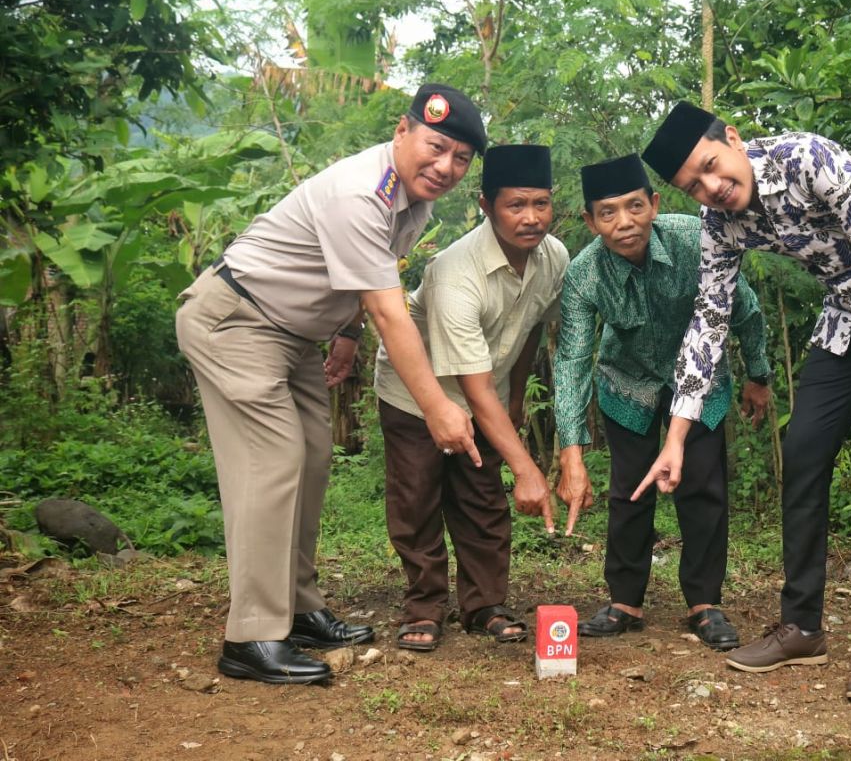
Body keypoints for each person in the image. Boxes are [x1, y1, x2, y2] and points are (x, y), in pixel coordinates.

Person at [636, 102, 851, 701]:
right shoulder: (720, 224)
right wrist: (676, 437)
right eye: (694, 187)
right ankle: (802, 627)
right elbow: (708, 324)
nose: (712, 188)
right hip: (849, 312)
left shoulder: (808, 159)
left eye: (711, 166)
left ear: (732, 138)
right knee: (805, 449)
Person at [175, 83, 487, 684]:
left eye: (460, 159)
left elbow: (362, 280)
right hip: (236, 320)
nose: (445, 167)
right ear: (402, 131)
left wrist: (344, 335)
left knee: (313, 459)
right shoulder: (358, 194)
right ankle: (252, 637)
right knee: (273, 463)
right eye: (436, 147)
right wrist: (438, 410)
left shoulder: (413, 201)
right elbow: (392, 313)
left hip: (292, 335)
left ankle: (296, 606)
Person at [553, 154, 771, 650]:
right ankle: (625, 601)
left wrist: (758, 375)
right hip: (627, 385)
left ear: (653, 204)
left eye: (634, 207)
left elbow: (748, 310)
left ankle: (704, 603)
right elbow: (570, 359)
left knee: (703, 488)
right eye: (607, 213)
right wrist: (572, 447)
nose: (624, 223)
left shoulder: (695, 242)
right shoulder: (585, 275)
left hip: (701, 383)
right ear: (590, 221)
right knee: (629, 491)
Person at [375, 144, 568, 652]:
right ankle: (424, 606)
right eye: (516, 205)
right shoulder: (455, 272)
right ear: (486, 206)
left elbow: (529, 331)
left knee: (481, 498)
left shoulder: (554, 258)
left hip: (488, 389)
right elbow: (471, 388)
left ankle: (484, 604)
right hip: (417, 394)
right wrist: (528, 469)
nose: (531, 218)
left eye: (541, 203)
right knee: (418, 498)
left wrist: (517, 400)